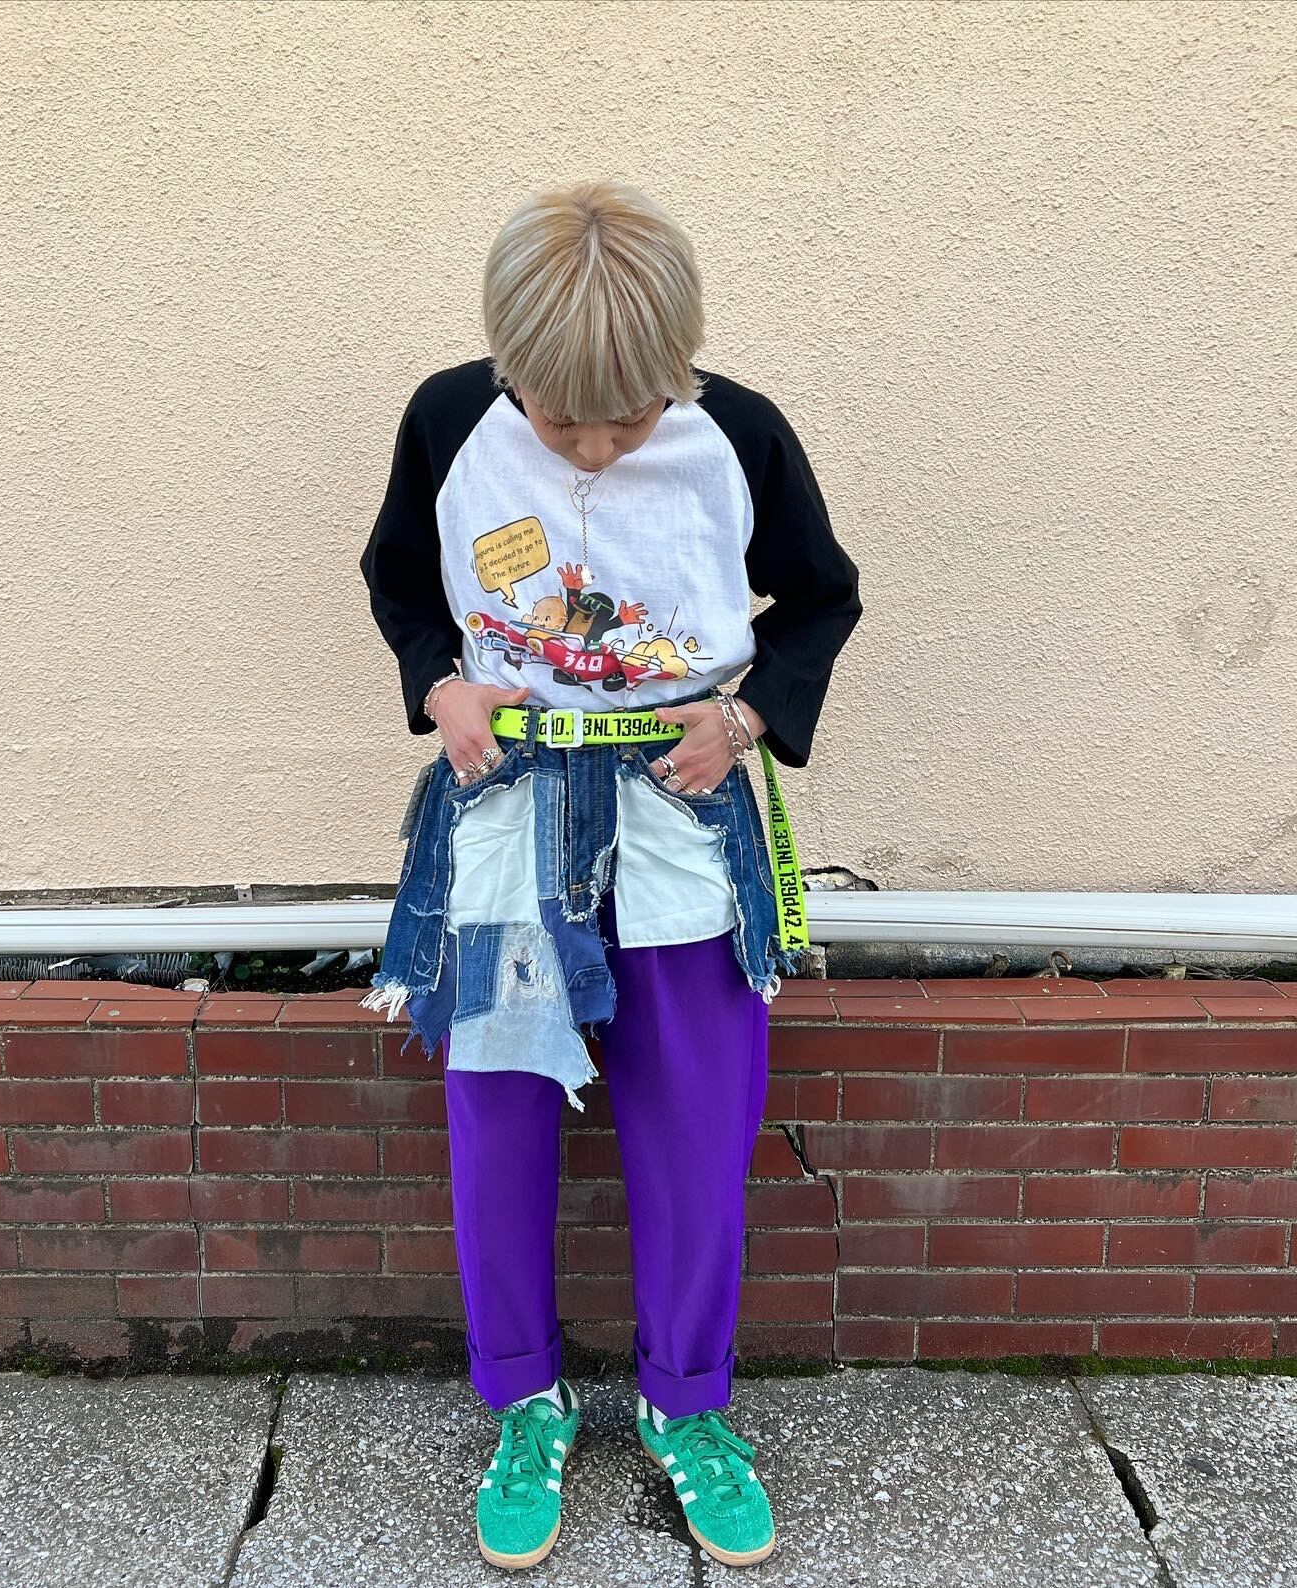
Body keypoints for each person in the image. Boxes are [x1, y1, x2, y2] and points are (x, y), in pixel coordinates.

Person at [359, 180, 862, 1571]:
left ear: (676, 364)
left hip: (677, 815)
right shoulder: (448, 419)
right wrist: (441, 682)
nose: (591, 444)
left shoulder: (738, 435)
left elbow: (821, 599)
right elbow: (400, 580)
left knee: (695, 1125)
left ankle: (686, 1401)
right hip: (508, 812)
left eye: (626, 420)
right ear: (505, 360)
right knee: (500, 1121)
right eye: (557, 418)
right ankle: (525, 1399)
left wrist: (745, 717)